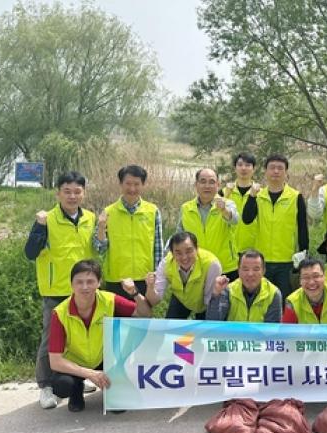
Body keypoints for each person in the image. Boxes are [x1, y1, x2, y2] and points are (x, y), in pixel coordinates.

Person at [24, 171, 97, 409]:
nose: (72, 196)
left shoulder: (90, 218)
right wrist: (39, 227)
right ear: (58, 193)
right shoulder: (47, 219)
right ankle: (45, 386)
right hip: (55, 290)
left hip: (83, 290)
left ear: (84, 194)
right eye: (67, 191)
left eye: (77, 192)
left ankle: (78, 380)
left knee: (80, 338)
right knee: (50, 338)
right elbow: (30, 253)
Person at [48, 260, 151, 412]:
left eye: (90, 281)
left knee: (119, 409)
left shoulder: (110, 300)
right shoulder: (59, 313)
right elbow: (55, 362)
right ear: (72, 284)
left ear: (99, 283)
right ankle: (76, 390)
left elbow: (145, 314)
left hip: (105, 360)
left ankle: (110, 390)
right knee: (62, 385)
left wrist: (134, 293)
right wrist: (90, 374)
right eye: (79, 282)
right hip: (75, 365)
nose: (85, 287)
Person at [242, 154, 309, 298]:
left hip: (286, 261)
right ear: (265, 171)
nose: (276, 171)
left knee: (284, 300)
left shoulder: (295, 196)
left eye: (280, 168)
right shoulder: (258, 195)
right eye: (272, 168)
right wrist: (252, 197)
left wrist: (304, 253)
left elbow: (303, 228)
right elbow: (247, 219)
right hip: (262, 260)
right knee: (262, 299)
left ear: (286, 172)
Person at [95, 165, 163, 299]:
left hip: (144, 279)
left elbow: (158, 248)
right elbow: (100, 249)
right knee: (117, 313)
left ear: (143, 185)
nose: (132, 189)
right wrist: (101, 228)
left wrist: (157, 274)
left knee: (143, 312)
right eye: (128, 184)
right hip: (116, 279)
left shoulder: (153, 211)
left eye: (137, 184)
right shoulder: (108, 212)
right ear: (121, 184)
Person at [145, 231, 223, 320]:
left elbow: (209, 303)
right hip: (181, 298)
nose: (184, 257)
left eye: (189, 251)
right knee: (171, 326)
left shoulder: (212, 265)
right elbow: (154, 301)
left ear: (197, 248)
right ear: (172, 253)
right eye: (178, 253)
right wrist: (150, 287)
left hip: (205, 303)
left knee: (205, 326)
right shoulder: (166, 263)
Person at [179, 168, 239, 280]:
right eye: (203, 181)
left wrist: (224, 210)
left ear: (218, 185)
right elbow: (179, 236)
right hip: (196, 267)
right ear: (196, 185)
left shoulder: (227, 204)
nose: (207, 186)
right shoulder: (186, 208)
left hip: (225, 267)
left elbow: (234, 220)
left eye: (211, 182)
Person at [206, 249, 283, 322]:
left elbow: (272, 328)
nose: (250, 274)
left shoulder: (273, 294)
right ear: (238, 271)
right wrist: (216, 295)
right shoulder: (228, 290)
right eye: (245, 269)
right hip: (233, 332)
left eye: (256, 269)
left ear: (263, 271)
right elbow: (213, 323)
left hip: (261, 332)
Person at [223, 152, 259, 253]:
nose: (243, 168)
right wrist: (225, 197)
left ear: (254, 169)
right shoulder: (224, 192)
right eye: (240, 165)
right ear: (234, 168)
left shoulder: (261, 194)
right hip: (229, 250)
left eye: (248, 165)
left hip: (253, 250)